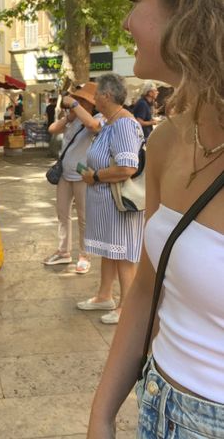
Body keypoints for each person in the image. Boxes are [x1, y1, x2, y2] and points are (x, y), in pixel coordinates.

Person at [87, 0, 224, 438]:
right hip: (155, 409)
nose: (125, 21)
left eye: (136, 1)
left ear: (192, 9)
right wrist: (102, 414)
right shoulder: (170, 139)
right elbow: (147, 286)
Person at [77, 73, 145, 325]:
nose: (93, 100)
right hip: (108, 203)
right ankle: (104, 296)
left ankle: (126, 307)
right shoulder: (110, 122)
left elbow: (128, 167)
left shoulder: (124, 124)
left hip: (120, 203)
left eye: (96, 95)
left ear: (107, 96)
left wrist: (95, 176)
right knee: (110, 250)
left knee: (124, 254)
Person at [44, 82, 102, 273]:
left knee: (84, 217)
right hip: (65, 174)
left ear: (91, 102)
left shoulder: (99, 117)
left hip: (84, 174)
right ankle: (63, 252)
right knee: (62, 214)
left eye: (82, 99)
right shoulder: (75, 117)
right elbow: (52, 129)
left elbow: (94, 126)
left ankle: (85, 256)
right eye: (77, 99)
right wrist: (69, 116)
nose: (77, 101)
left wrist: (76, 108)